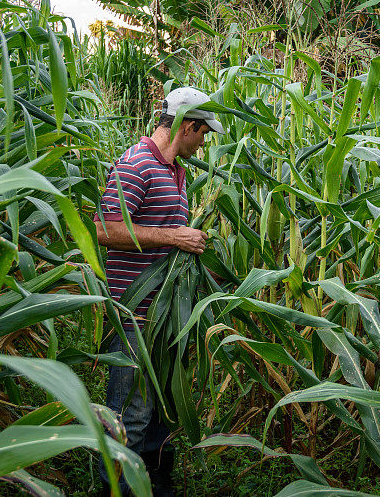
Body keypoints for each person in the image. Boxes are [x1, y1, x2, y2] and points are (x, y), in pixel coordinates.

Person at [94, 87, 224, 496]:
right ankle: (115, 488)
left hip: (166, 314)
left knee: (161, 410)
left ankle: (152, 484)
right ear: (187, 126)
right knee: (129, 413)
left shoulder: (175, 170)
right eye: (203, 133)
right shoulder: (137, 165)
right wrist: (174, 236)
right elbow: (104, 229)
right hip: (133, 312)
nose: (204, 142)